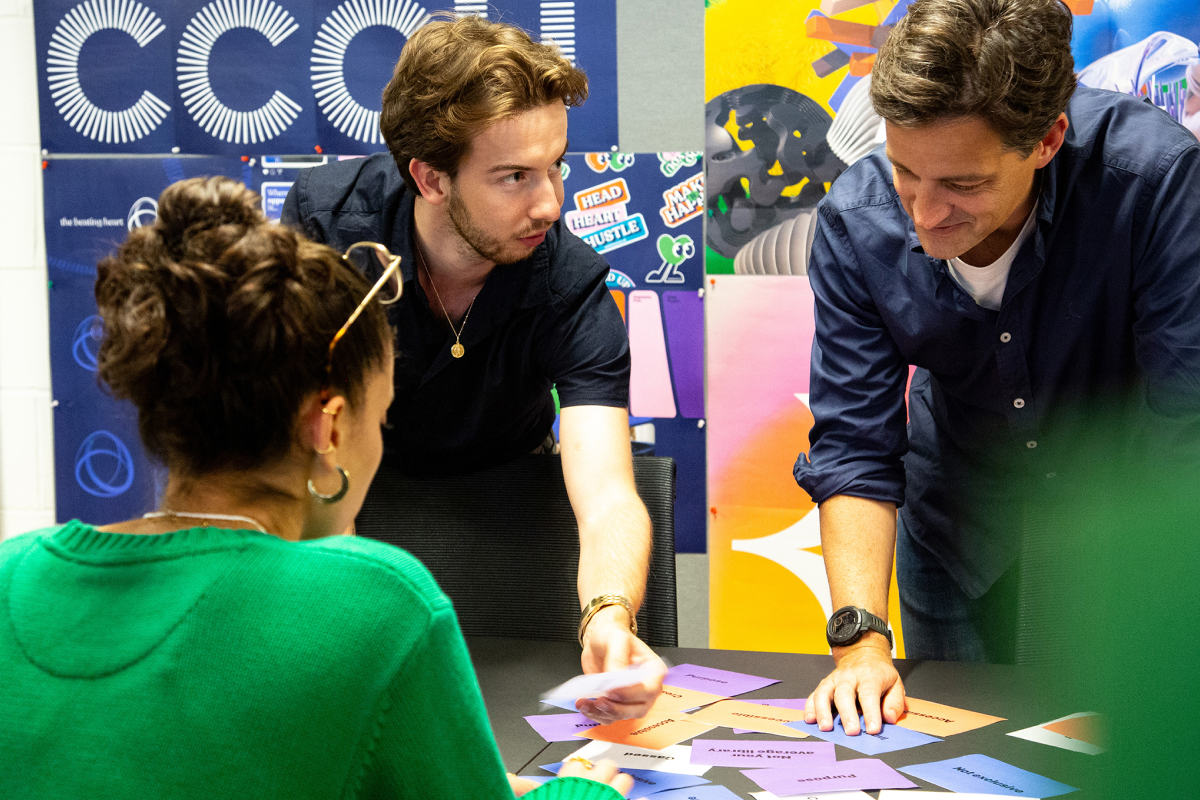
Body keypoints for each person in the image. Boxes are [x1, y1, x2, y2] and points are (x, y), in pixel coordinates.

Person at [0, 177, 632, 800]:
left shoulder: (12, 575)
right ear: (327, 427)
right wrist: (580, 794)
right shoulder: (379, 605)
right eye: (379, 417)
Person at [795, 0, 1200, 736]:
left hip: (1122, 516)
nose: (923, 213)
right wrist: (859, 640)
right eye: (905, 171)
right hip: (958, 528)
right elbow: (854, 445)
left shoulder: (1154, 180)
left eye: (963, 185)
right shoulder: (859, 221)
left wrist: (1163, 622)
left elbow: (1188, 423)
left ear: (1047, 139)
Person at [282, 14, 663, 722]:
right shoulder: (329, 229)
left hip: (513, 524)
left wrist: (609, 614)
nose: (549, 202)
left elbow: (609, 492)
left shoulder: (569, 284)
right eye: (514, 176)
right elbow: (292, 451)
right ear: (430, 177)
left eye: (556, 166)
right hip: (350, 514)